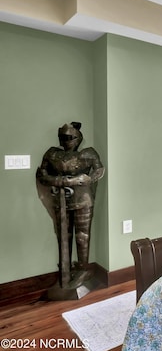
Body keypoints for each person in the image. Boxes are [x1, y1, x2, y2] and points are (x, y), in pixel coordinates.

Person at [36, 122, 105, 291]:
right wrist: (66, 181)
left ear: (77, 138)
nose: (66, 141)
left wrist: (81, 179)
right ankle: (65, 269)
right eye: (63, 137)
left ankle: (82, 268)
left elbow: (98, 172)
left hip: (83, 199)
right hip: (61, 199)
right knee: (63, 235)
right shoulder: (52, 154)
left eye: (70, 137)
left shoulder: (88, 154)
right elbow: (42, 174)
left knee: (82, 236)